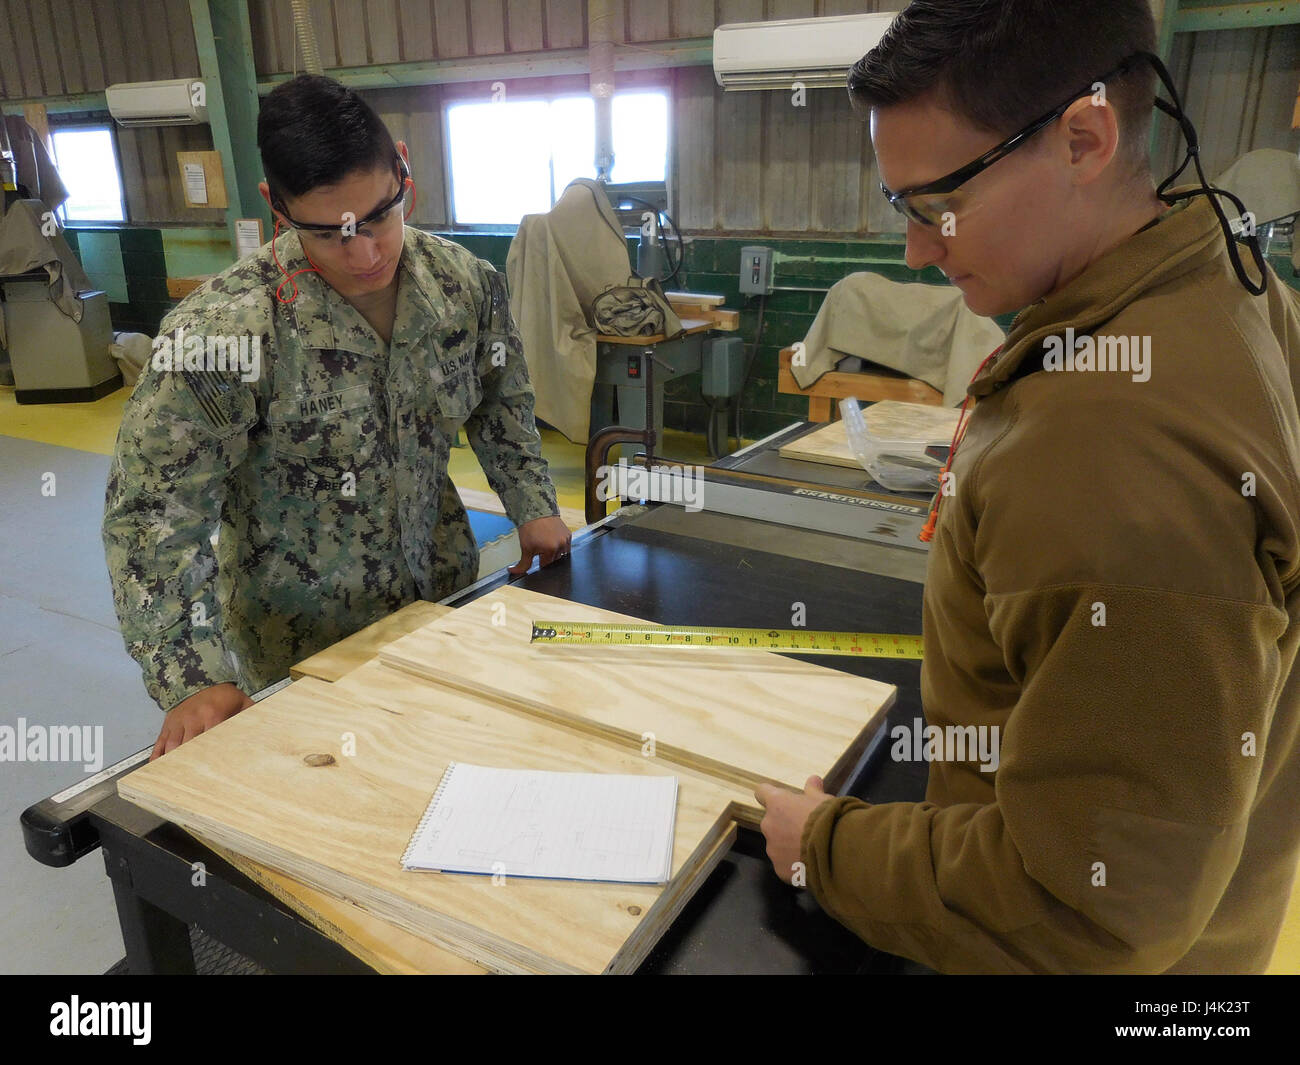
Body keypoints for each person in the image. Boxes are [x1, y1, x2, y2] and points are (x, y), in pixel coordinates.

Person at [757, 0, 1300, 973]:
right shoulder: (1224, 277)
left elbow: (1090, 909)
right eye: (902, 209)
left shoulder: (1109, 443)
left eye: (935, 204)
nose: (916, 250)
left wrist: (824, 851)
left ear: (1083, 137)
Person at [103, 75, 570, 760]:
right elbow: (152, 512)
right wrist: (192, 677)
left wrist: (531, 503)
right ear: (277, 207)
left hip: (446, 611)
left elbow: (501, 396)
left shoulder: (466, 287)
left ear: (403, 169)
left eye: (381, 215)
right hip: (302, 659)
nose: (367, 252)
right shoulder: (225, 334)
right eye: (330, 233)